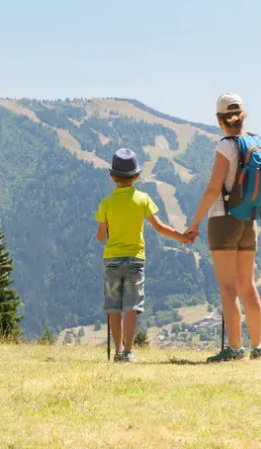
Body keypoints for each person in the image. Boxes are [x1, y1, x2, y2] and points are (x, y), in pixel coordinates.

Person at [185, 93, 261, 362]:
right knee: (248, 285)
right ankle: (257, 347)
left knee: (228, 288)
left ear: (220, 120)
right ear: (243, 116)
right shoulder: (256, 142)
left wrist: (194, 222)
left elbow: (213, 188)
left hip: (223, 220)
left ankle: (234, 348)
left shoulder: (226, 147)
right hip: (249, 221)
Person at [96, 147, 190, 363]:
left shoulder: (106, 203)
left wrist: (107, 228)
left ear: (112, 176)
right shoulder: (143, 199)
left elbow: (100, 237)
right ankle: (128, 352)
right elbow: (159, 228)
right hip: (135, 260)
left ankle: (117, 351)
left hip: (111, 260)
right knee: (131, 306)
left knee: (113, 307)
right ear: (137, 176)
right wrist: (182, 237)